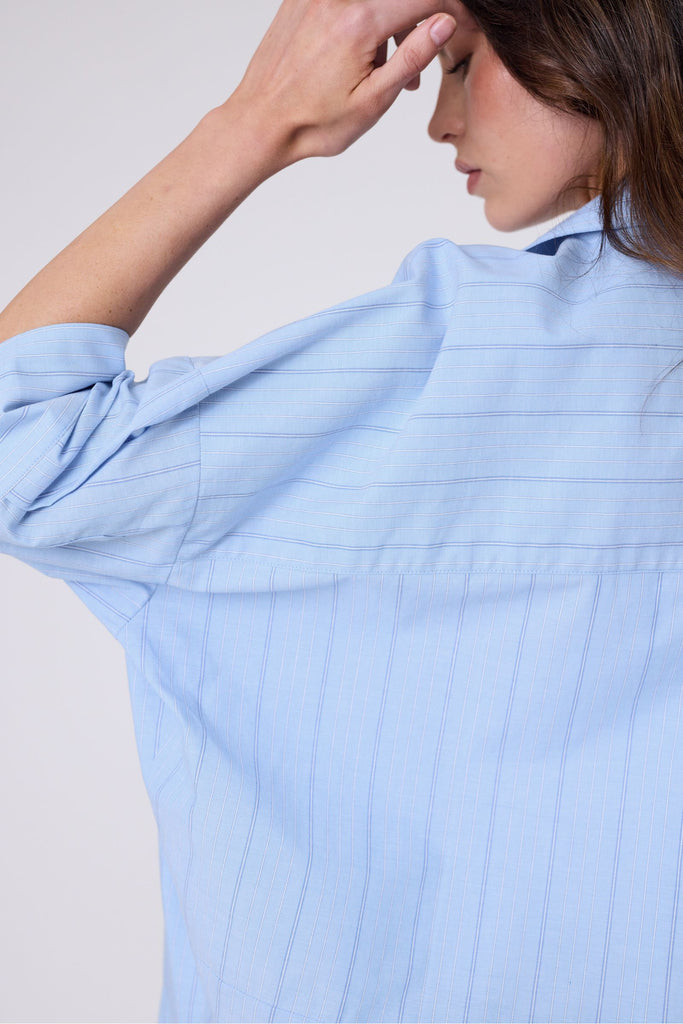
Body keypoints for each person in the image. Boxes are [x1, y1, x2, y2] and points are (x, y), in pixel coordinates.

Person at [1, 0, 681, 1020]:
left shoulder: (459, 354)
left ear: (587, 38)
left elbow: (26, 452)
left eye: (457, 65)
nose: (438, 123)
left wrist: (259, 117)